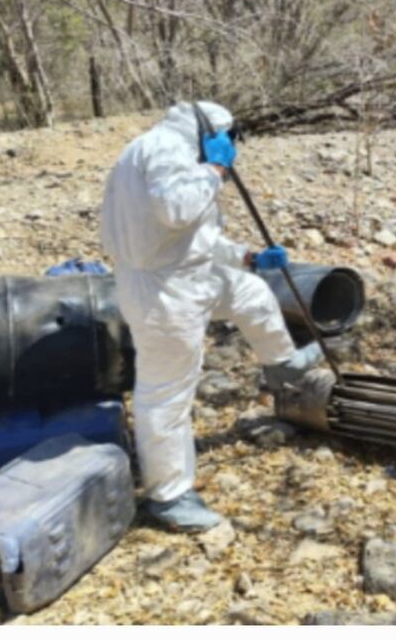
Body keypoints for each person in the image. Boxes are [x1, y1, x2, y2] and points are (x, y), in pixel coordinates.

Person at [100, 101, 321, 532]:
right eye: (226, 142)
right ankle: (169, 497)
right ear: (212, 134)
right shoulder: (166, 149)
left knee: (250, 292)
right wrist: (215, 169)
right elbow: (177, 210)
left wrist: (247, 257)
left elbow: (192, 234)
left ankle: (282, 364)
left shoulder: (164, 150)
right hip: (164, 294)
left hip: (186, 276)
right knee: (166, 395)